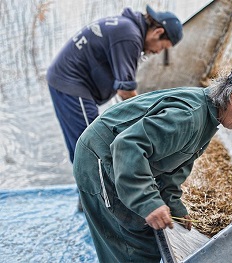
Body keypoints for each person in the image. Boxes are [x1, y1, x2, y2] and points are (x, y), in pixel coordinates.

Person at [73, 65, 232, 262]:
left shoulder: (210, 117)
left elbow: (175, 166)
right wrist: (148, 201)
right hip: (99, 157)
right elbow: (127, 146)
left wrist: (174, 206)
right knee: (130, 246)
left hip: (119, 158)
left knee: (147, 243)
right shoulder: (189, 116)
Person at [47, 5, 182, 211]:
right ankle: (95, 206)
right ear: (158, 32)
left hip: (70, 83)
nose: (157, 52)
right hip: (71, 84)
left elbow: (123, 88)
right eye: (162, 47)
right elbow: (125, 92)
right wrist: (150, 123)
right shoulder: (129, 36)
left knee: (84, 144)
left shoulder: (127, 29)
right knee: (90, 146)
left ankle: (87, 200)